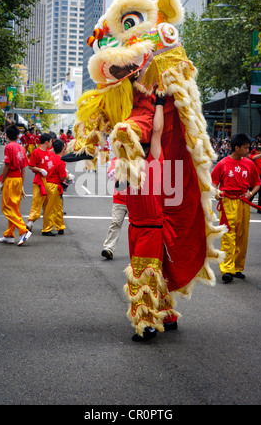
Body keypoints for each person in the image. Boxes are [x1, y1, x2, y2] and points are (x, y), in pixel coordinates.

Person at [124, 96, 179, 342]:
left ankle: (146, 324)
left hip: (151, 229)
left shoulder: (155, 161)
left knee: (144, 275)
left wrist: (159, 102)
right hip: (134, 227)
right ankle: (168, 315)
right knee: (155, 272)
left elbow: (157, 130)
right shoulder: (126, 165)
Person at [211, 133, 261, 283]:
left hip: (243, 203)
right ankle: (227, 270)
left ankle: (237, 267)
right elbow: (213, 183)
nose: (248, 150)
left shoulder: (249, 164)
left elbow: (257, 184)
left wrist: (250, 194)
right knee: (228, 236)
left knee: (242, 236)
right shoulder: (223, 164)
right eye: (246, 147)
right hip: (228, 202)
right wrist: (216, 192)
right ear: (237, 147)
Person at [0, 125, 32, 246]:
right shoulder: (21, 148)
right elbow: (23, 168)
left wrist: (2, 182)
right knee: (14, 208)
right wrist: (21, 184)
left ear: (6, 136)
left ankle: (23, 230)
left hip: (11, 179)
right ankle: (9, 235)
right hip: (18, 179)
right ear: (18, 135)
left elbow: (7, 165)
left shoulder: (9, 147)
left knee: (7, 207)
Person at [42, 139, 74, 236]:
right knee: (51, 208)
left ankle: (60, 226)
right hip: (54, 186)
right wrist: (69, 177)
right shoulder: (60, 161)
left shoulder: (52, 158)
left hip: (50, 184)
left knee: (58, 207)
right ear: (62, 148)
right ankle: (46, 229)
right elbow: (63, 177)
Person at [101, 157, 127, 260]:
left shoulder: (137, 157)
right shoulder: (116, 160)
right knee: (115, 223)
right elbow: (110, 175)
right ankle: (108, 249)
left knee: (138, 226)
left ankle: (140, 251)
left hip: (136, 200)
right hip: (120, 199)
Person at [26, 133, 53, 232]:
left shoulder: (50, 153)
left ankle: (47, 227)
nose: (51, 143)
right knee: (37, 202)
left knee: (48, 204)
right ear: (46, 142)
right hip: (39, 181)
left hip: (49, 181)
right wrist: (40, 170)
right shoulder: (36, 152)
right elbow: (30, 166)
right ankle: (30, 222)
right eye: (50, 141)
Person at [249, 144, 261, 213]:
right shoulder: (253, 156)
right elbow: (254, 158)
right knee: (253, 192)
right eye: (258, 150)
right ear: (256, 151)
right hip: (255, 177)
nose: (260, 152)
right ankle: (246, 203)